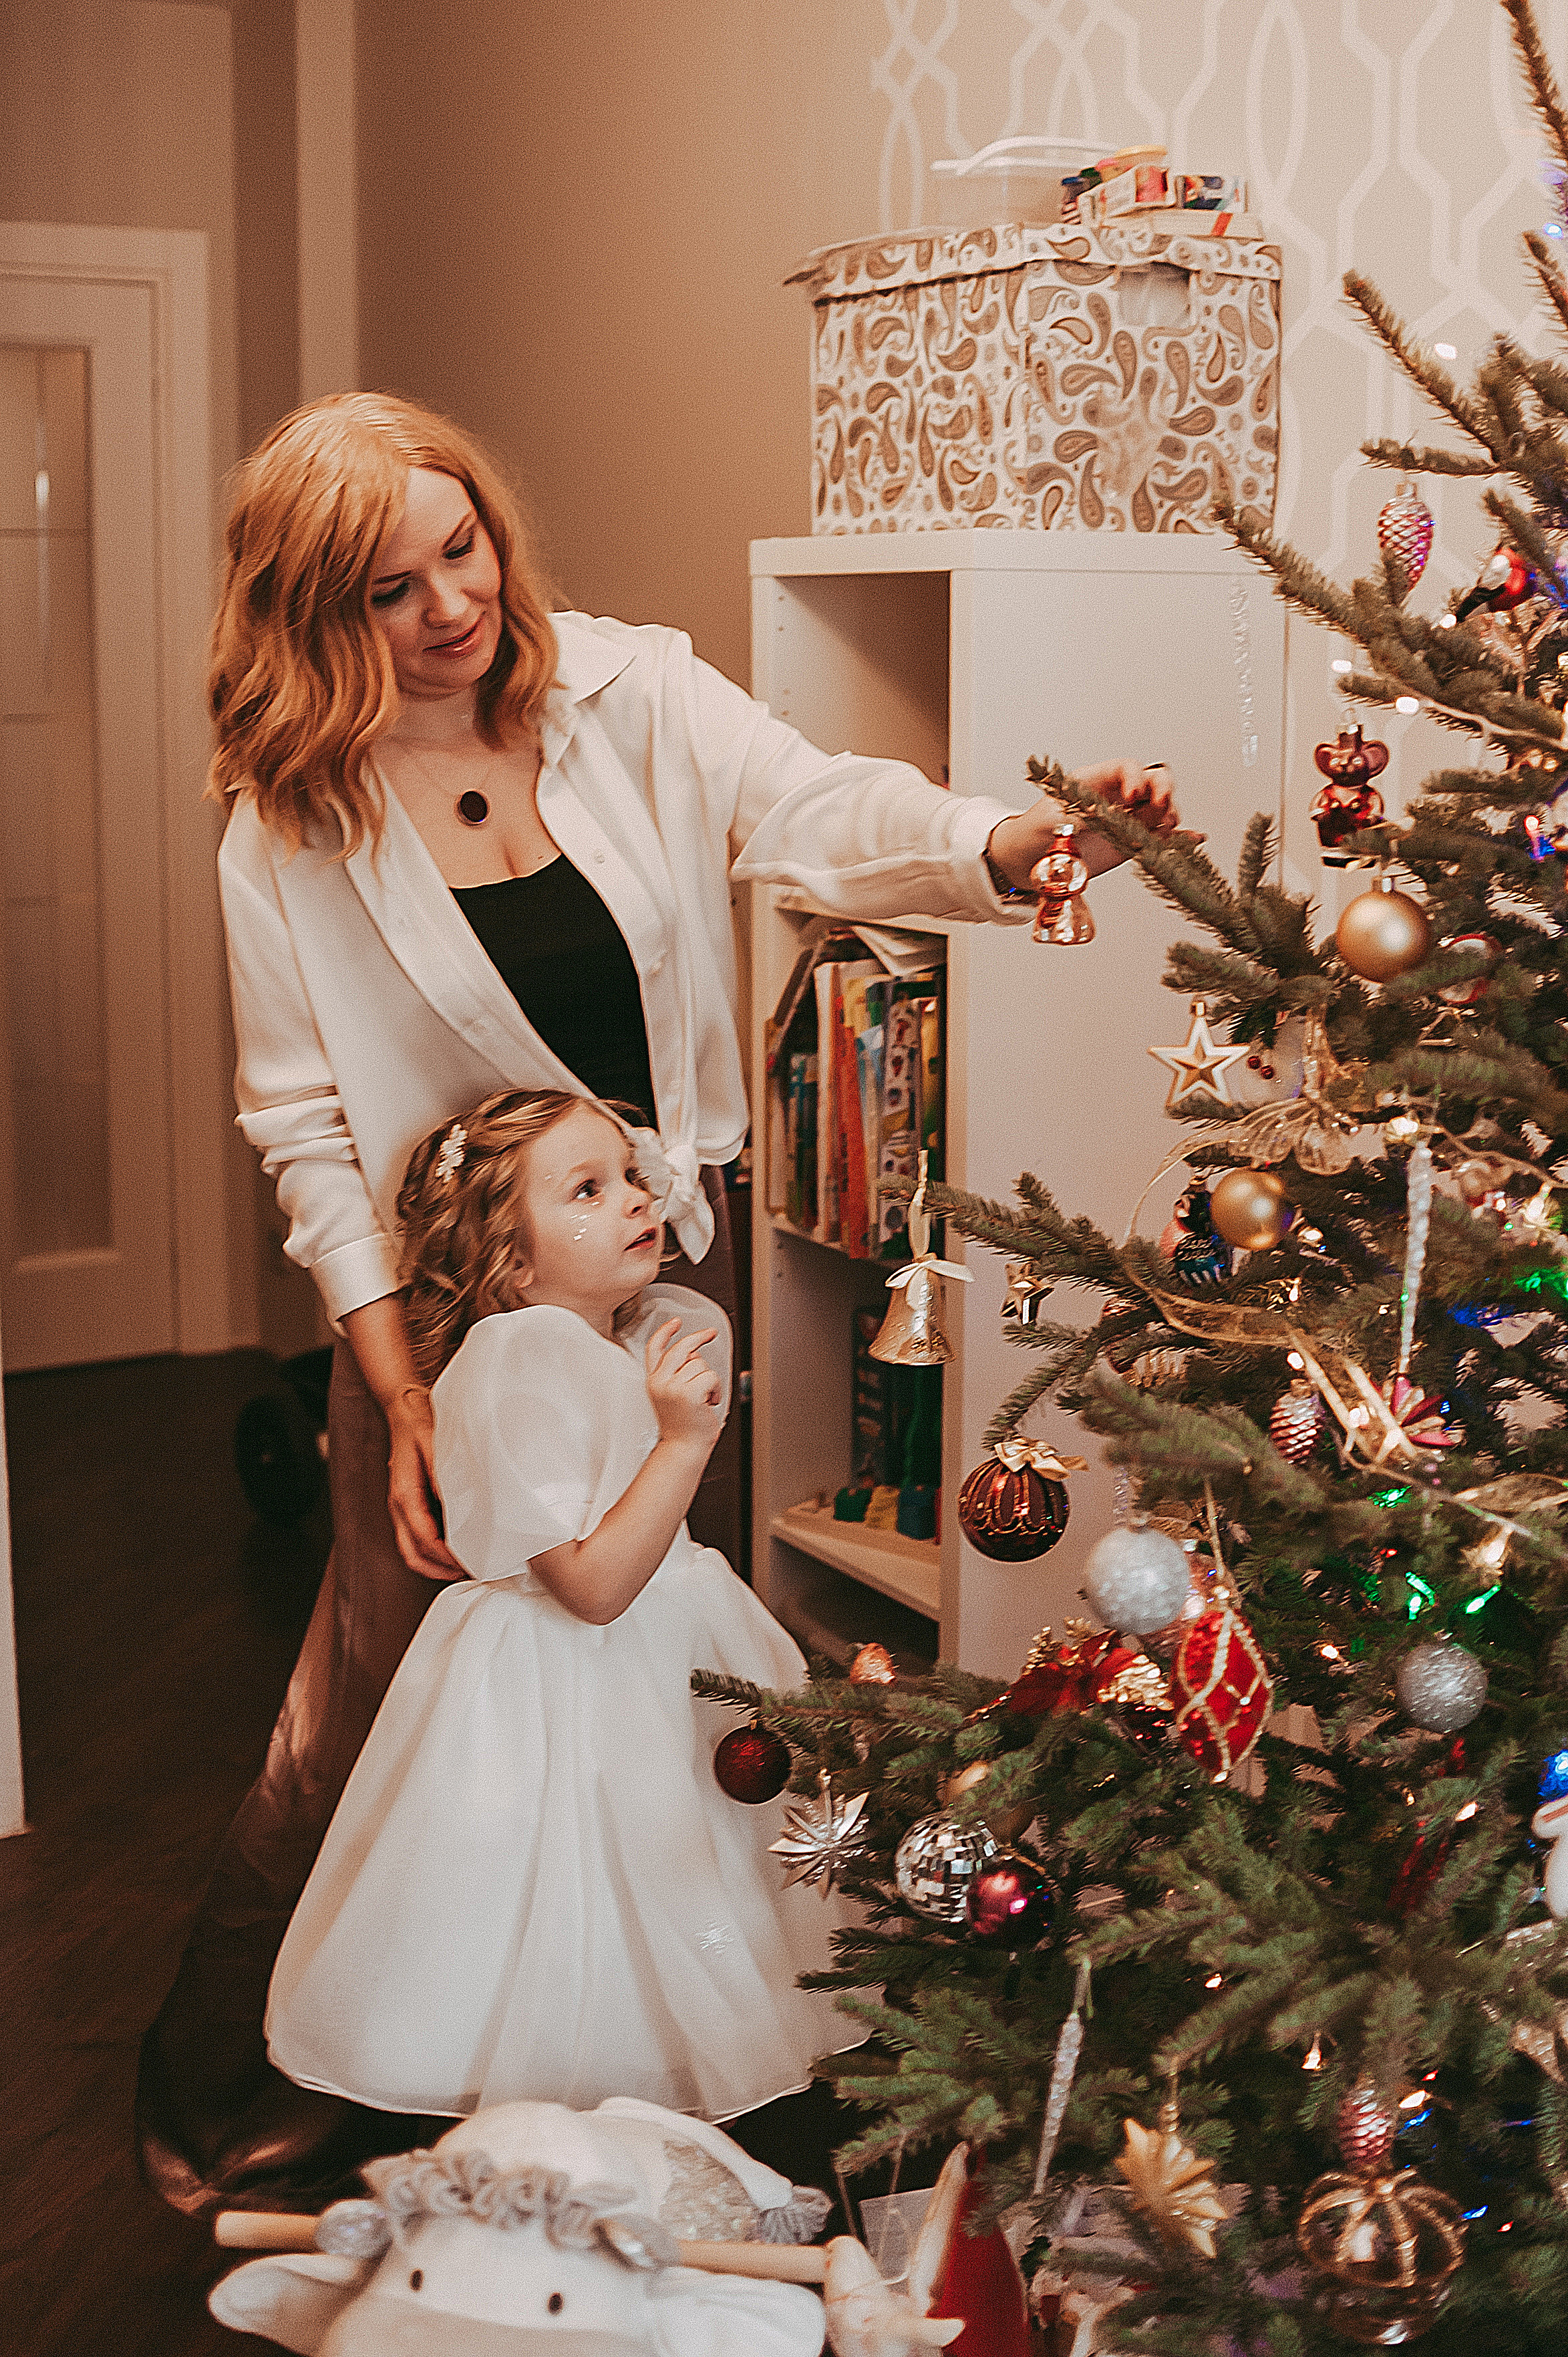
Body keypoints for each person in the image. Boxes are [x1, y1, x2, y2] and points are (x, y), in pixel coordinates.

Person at [138, 390, 1179, 2212]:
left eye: (458, 549)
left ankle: (645, 2058)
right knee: (383, 1706)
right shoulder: (283, 827)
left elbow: (813, 807)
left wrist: (1004, 841)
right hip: (448, 1330)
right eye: (387, 588)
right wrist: (395, 1399)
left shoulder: (628, 696)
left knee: (651, 1679)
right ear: (315, 617)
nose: (449, 606)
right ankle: (260, 2058)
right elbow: (303, 1130)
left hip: (653, 1263)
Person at [266, 1087, 856, 2124]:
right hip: (576, 1671)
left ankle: (668, 2090)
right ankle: (596, 2101)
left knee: (681, 1856)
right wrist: (683, 1443)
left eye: (632, 1176)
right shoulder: (518, 1358)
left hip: (668, 1644)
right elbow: (588, 1587)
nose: (636, 1201)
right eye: (587, 1191)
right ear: (513, 1265)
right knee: (581, 1879)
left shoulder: (639, 1334)